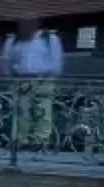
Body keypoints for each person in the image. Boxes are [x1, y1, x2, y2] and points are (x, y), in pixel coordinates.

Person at [7, 16, 64, 149]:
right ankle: (21, 140)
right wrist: (15, 70)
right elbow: (8, 59)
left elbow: (56, 61)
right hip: (22, 79)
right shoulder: (15, 40)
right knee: (22, 110)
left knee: (43, 110)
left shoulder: (49, 39)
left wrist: (45, 72)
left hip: (43, 79)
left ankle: (40, 141)